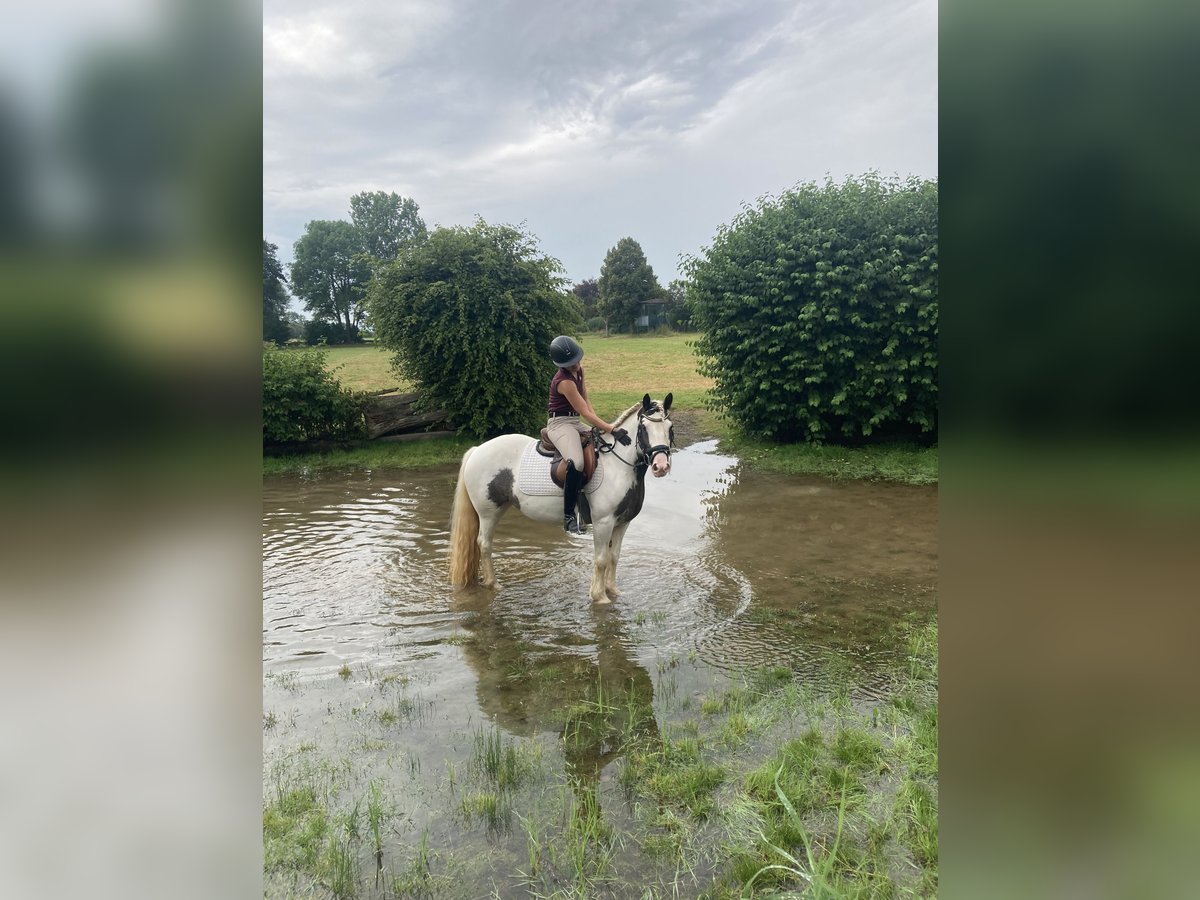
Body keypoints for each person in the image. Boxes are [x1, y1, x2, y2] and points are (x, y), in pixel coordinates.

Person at [546, 335, 630, 534]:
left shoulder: (580, 372)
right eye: (570, 363)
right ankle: (568, 516)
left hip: (575, 422)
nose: (575, 365)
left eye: (576, 360)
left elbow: (586, 403)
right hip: (559, 424)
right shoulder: (563, 381)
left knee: (602, 444)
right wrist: (612, 428)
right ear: (562, 364)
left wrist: (601, 426)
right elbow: (584, 411)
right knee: (577, 462)